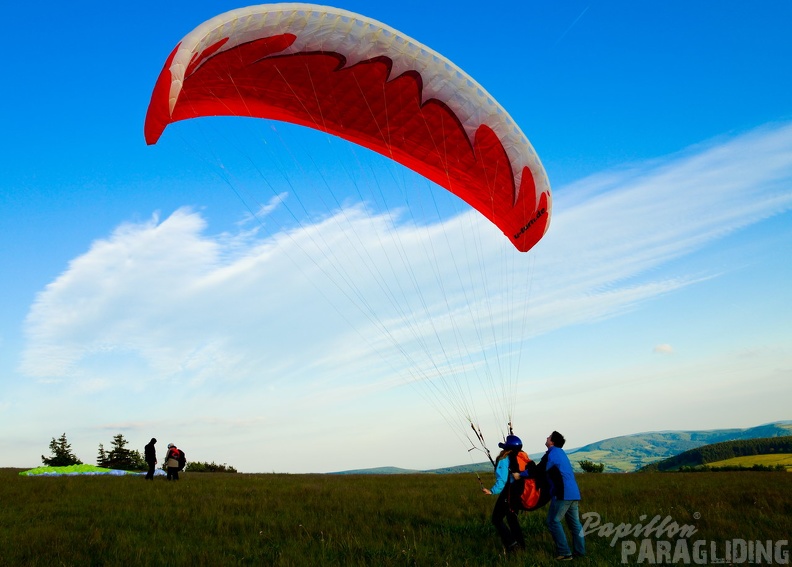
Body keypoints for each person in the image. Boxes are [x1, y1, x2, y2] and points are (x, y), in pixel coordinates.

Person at [515, 431, 585, 561]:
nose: (546, 438)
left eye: (549, 437)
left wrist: (520, 475)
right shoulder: (561, 453)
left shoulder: (551, 455)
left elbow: (539, 470)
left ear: (552, 442)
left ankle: (565, 553)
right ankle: (580, 552)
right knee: (575, 524)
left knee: (553, 521)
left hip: (562, 493)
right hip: (574, 492)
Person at [481, 434, 525, 554]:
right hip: (519, 493)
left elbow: (502, 480)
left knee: (496, 519)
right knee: (512, 519)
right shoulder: (520, 457)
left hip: (508, 493)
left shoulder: (504, 459)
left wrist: (491, 491)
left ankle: (512, 545)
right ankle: (521, 546)